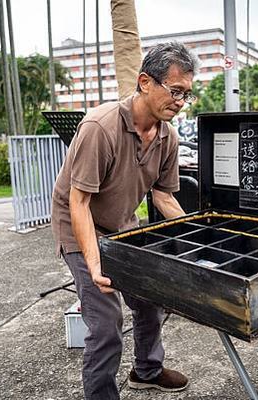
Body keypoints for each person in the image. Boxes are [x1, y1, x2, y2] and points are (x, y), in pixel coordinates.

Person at [51, 42, 198, 399]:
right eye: (175, 90)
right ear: (145, 82)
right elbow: (79, 201)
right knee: (106, 324)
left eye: (187, 95)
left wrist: (198, 236)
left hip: (122, 224)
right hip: (77, 224)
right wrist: (94, 261)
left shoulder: (168, 137)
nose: (180, 102)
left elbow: (163, 196)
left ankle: (146, 370)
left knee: (149, 299)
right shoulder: (100, 128)